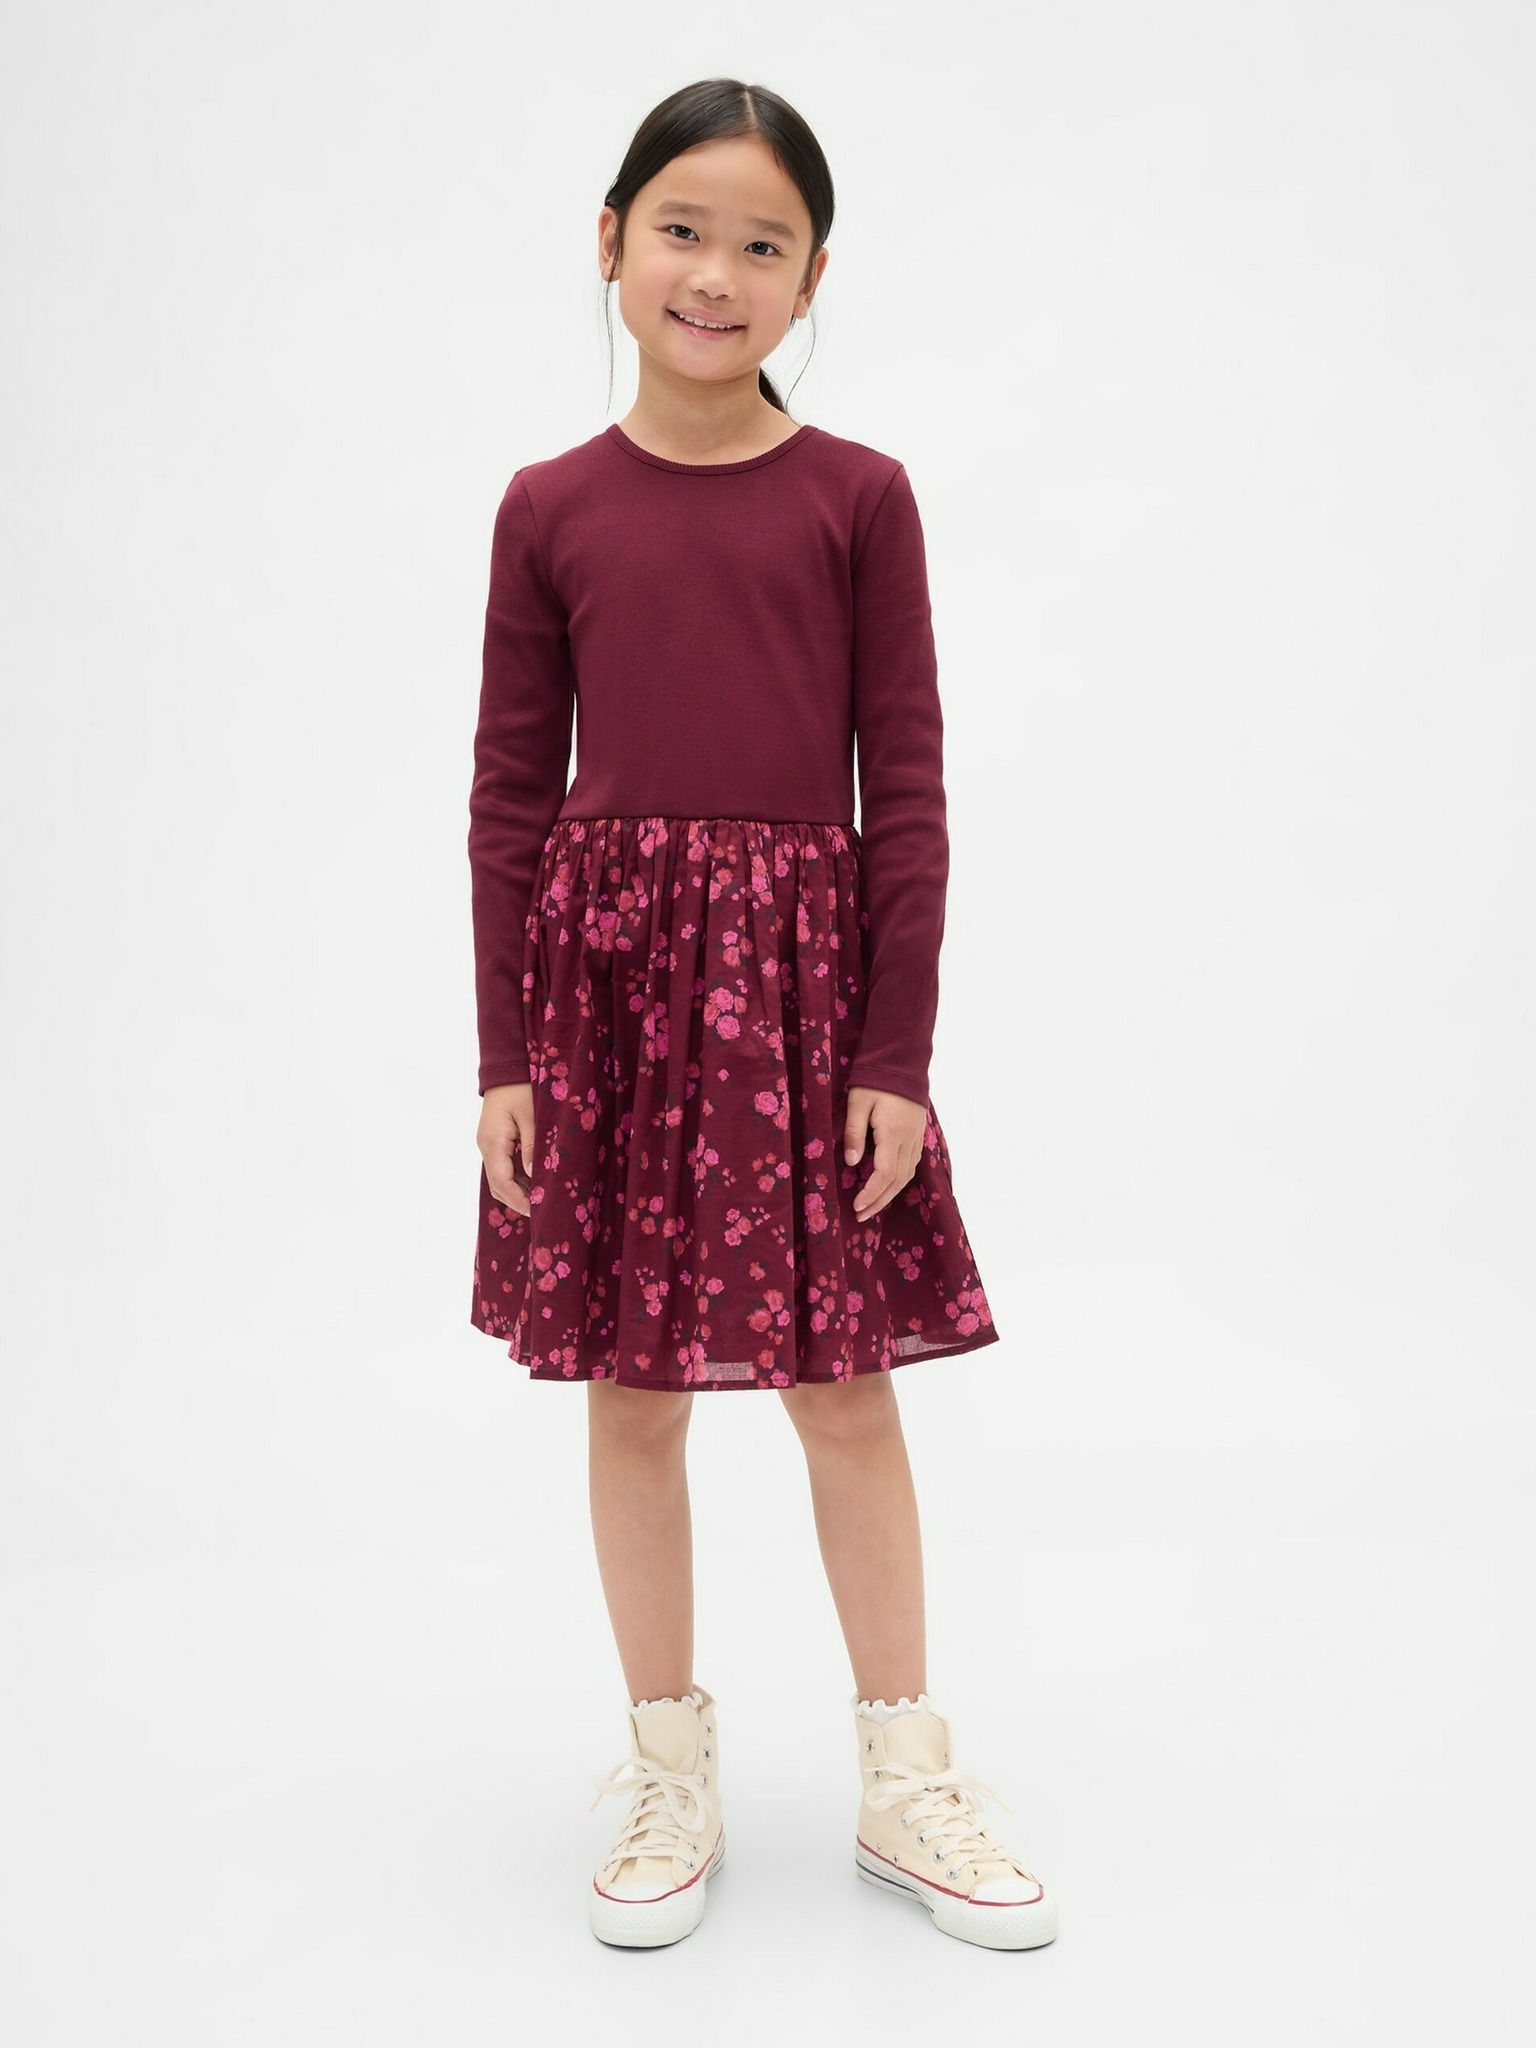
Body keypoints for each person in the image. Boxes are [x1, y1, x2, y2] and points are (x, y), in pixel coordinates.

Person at [467, 77, 1057, 1955]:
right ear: (610, 240)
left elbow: (912, 788)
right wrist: (504, 1056)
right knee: (632, 1395)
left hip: (804, 1000)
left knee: (841, 1389)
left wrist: (896, 1057)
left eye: (763, 244)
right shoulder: (548, 507)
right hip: (615, 1002)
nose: (715, 274)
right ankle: (668, 1763)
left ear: (812, 278)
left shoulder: (858, 499)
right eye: (682, 230)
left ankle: (904, 1772)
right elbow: (507, 796)